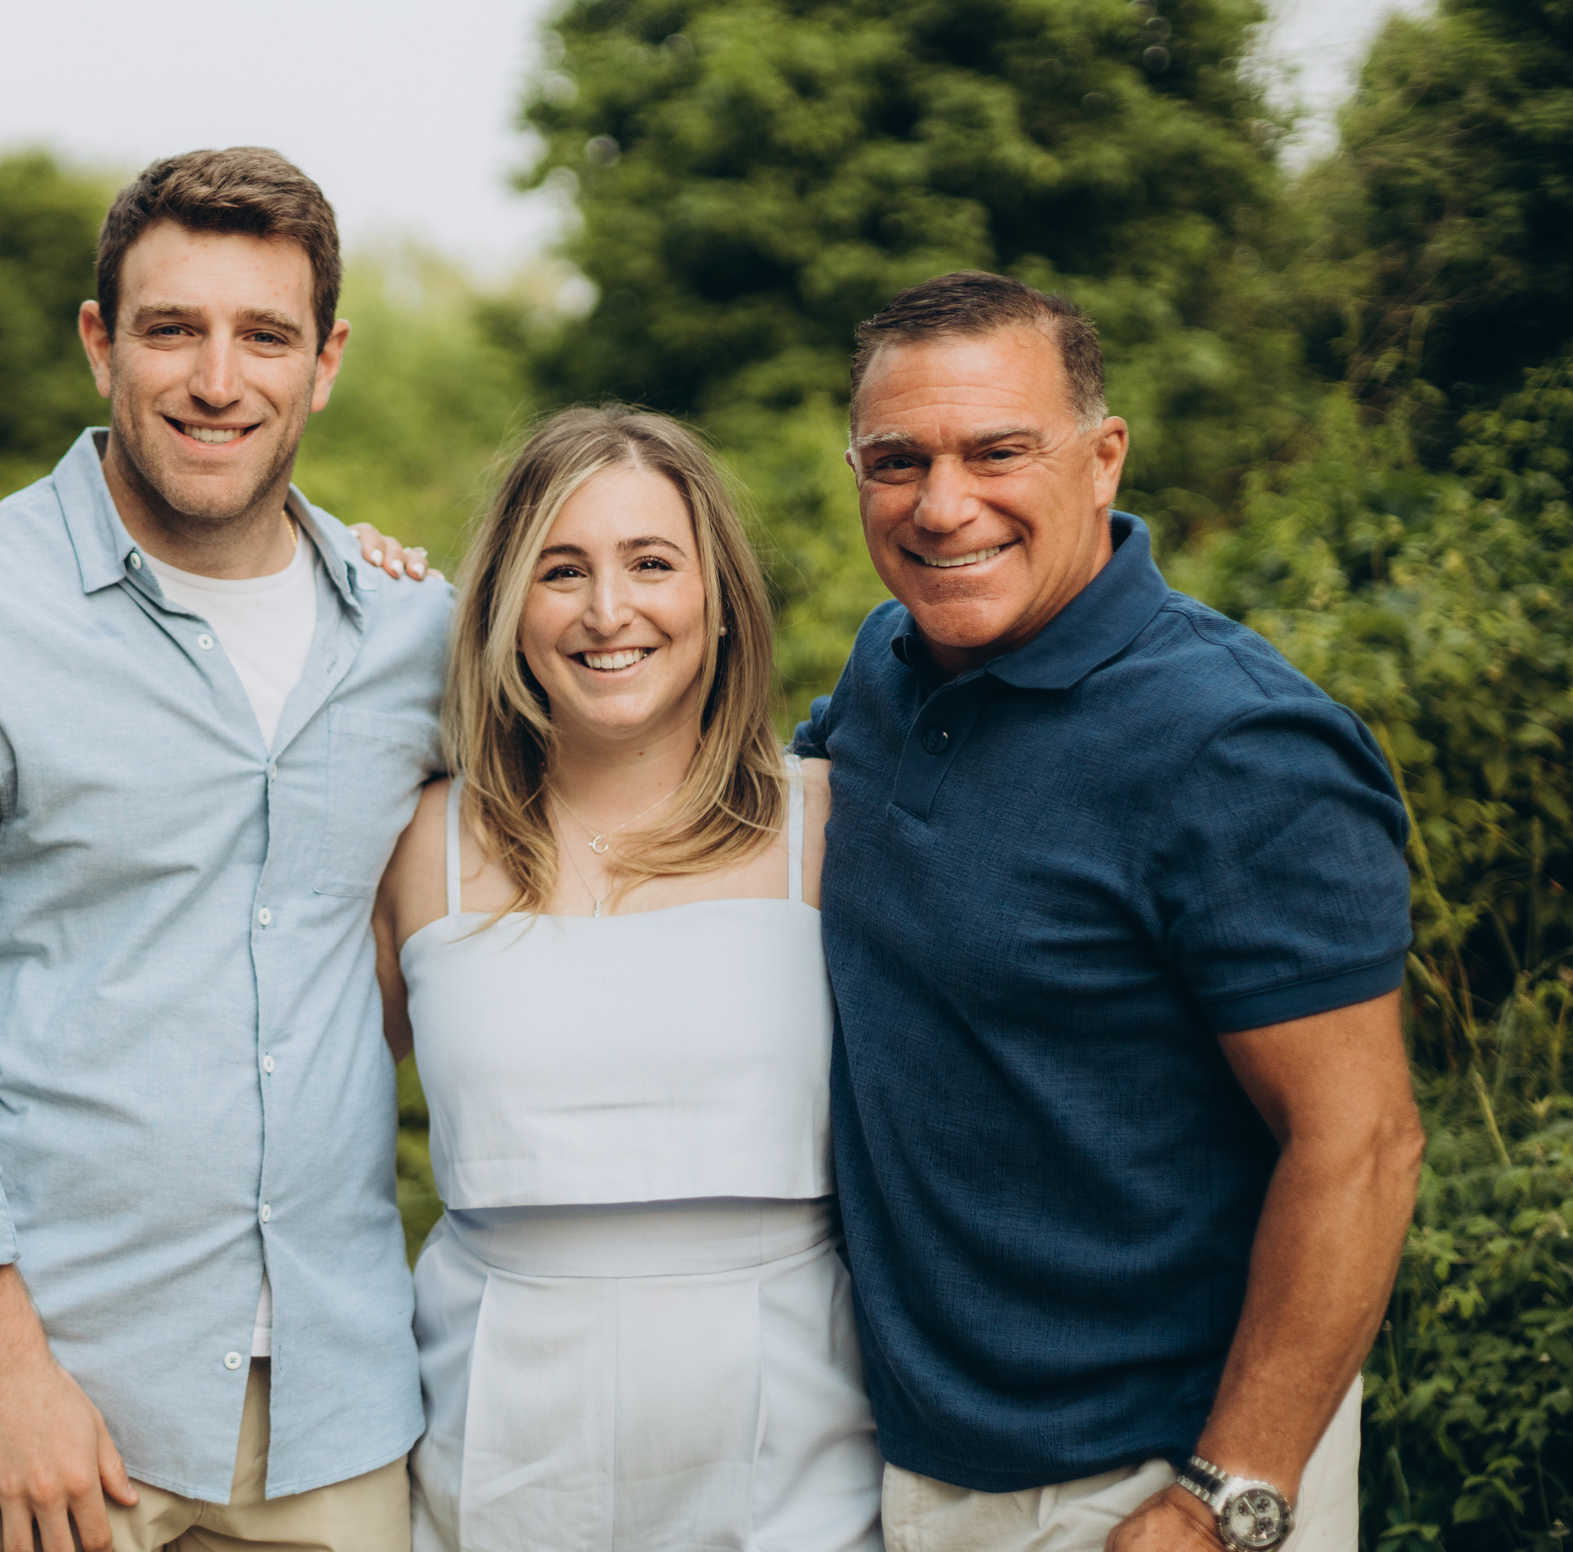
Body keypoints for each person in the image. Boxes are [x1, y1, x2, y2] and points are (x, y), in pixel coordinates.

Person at [0, 147, 452, 1552]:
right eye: (173, 328)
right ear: (101, 341)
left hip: (340, 1404)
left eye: (264, 334)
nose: (218, 378)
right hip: (59, 1402)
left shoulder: (414, 629)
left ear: (325, 360)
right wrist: (3, 1369)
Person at [794, 271, 1422, 1552]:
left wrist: (1225, 1495)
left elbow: (1360, 1146)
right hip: (907, 1459)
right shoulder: (884, 669)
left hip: (1147, 1481)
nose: (942, 503)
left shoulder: (1238, 744)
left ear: (1101, 455)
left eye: (997, 451)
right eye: (897, 460)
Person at [373, 406, 882, 1552]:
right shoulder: (420, 846)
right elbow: (292, 1110)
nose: (608, 611)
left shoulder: (828, 823)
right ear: (506, 602)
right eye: (562, 570)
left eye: (650, 563)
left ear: (716, 596)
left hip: (791, 1425)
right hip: (496, 1421)